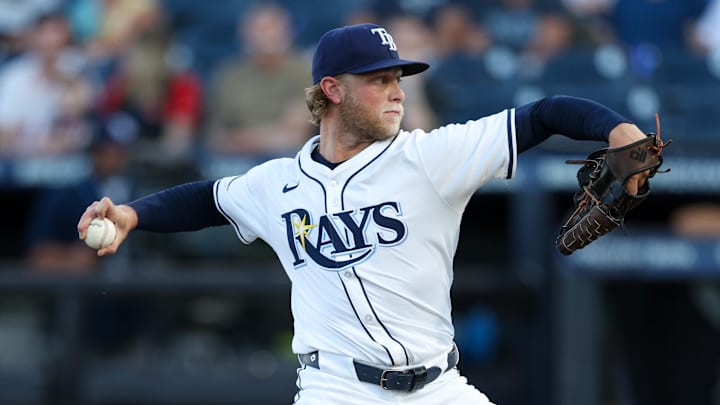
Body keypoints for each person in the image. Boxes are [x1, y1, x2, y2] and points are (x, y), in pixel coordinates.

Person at [77, 23, 652, 404]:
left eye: (397, 80)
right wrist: (130, 214)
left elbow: (544, 114)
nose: (396, 93)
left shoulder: (430, 158)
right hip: (338, 389)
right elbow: (206, 198)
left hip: (438, 386)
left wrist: (616, 129)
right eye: (379, 82)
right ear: (332, 89)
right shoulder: (277, 184)